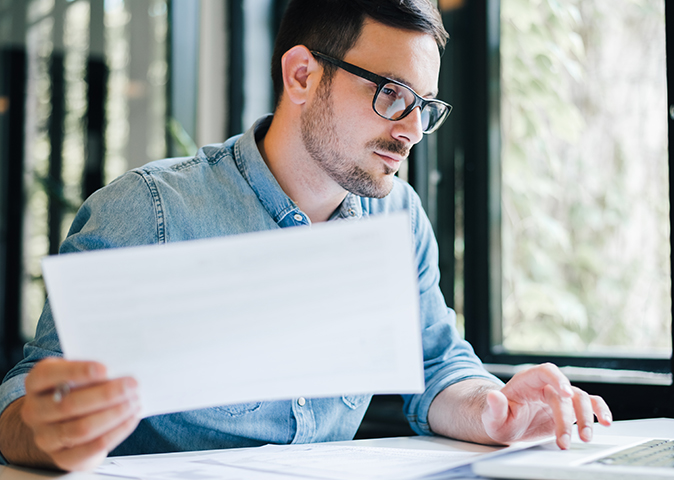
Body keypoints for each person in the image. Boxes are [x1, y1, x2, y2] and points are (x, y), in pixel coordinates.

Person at [0, 0, 612, 472]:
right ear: (301, 75)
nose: (411, 131)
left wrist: (495, 410)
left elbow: (436, 365)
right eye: (391, 95)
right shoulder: (151, 212)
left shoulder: (398, 217)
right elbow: (24, 403)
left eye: (424, 105)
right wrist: (47, 430)